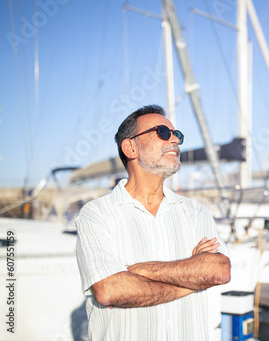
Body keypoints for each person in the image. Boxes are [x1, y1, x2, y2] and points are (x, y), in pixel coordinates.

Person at [75, 104, 231, 340]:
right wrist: (193, 278)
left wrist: (140, 270)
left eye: (177, 135)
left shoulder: (195, 212)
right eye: (163, 133)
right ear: (130, 147)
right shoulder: (97, 214)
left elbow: (219, 271)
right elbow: (109, 290)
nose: (175, 141)